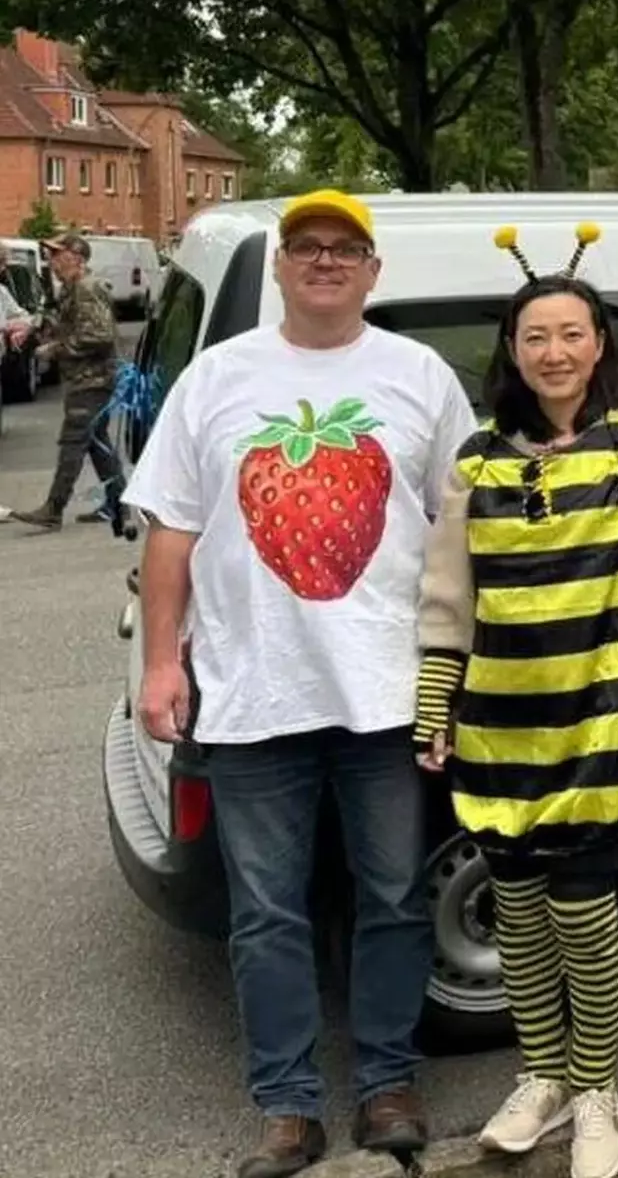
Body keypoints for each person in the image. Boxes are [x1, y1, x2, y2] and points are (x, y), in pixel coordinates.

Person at [122, 190, 477, 1178]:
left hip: (388, 693)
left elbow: (459, 531)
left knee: (395, 896)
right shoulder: (216, 379)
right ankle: (287, 1106)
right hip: (251, 694)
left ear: (373, 271)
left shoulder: (421, 377)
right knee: (265, 910)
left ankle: (387, 1084)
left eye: (346, 249)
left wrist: (462, 666)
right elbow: (173, 532)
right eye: (307, 246)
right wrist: (162, 660)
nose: (326, 261)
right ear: (281, 266)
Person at [412, 231, 618, 1178]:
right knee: (522, 913)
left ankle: (596, 1093)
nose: (554, 352)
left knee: (586, 915)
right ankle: (541, 1076)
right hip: (500, 725)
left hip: (597, 719)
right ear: (513, 350)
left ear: (599, 344)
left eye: (571, 333)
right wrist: (435, 708)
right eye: (535, 335)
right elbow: (448, 596)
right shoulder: (477, 461)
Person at [9, 231, 125, 532]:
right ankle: (117, 503)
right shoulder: (71, 289)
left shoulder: (87, 288)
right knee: (97, 443)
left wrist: (55, 349)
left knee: (73, 441)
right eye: (50, 255)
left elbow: (100, 336)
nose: (52, 262)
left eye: (57, 255)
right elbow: (57, 320)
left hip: (92, 381)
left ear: (77, 258)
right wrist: (33, 328)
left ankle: (53, 508)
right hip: (87, 379)